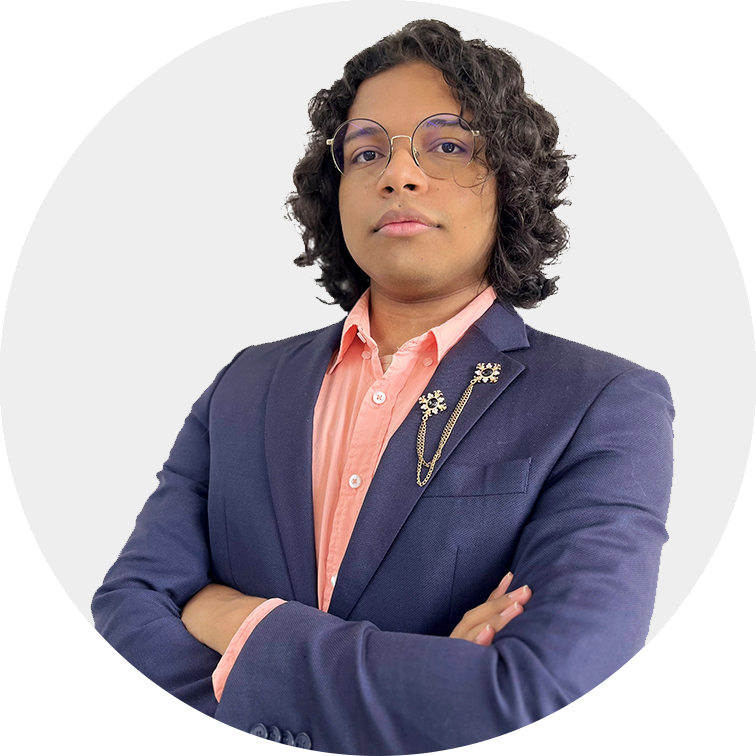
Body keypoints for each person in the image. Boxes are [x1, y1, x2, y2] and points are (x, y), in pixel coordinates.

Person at [89, 18, 675, 756]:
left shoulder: (604, 403)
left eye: (448, 146)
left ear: (510, 181)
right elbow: (124, 631)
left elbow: (537, 714)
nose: (399, 175)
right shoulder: (245, 386)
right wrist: (429, 684)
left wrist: (233, 619)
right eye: (367, 151)